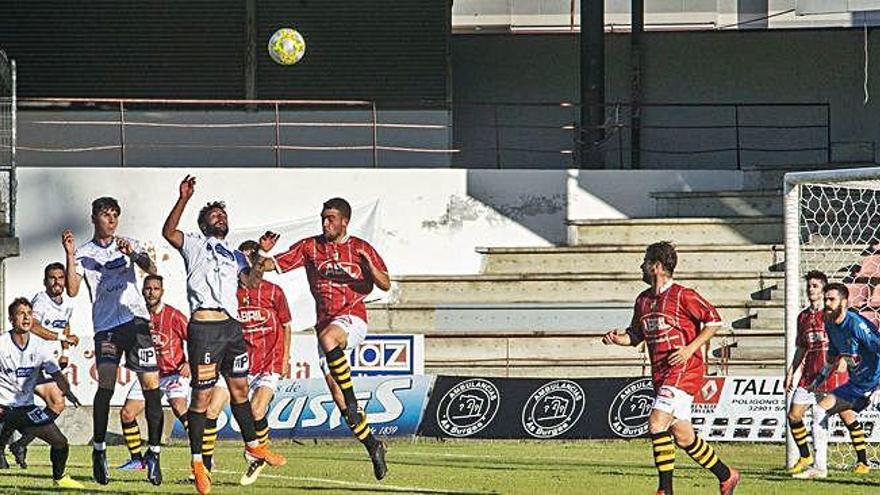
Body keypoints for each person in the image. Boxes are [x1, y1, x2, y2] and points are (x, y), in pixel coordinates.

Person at [162, 175, 285, 495]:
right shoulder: (193, 243)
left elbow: (252, 283)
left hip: (232, 328)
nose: (221, 217)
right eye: (215, 215)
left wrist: (259, 254)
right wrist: (183, 199)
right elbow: (168, 232)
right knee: (202, 397)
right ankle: (198, 462)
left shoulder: (236, 254)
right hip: (204, 328)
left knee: (240, 391)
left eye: (224, 215)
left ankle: (255, 446)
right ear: (204, 224)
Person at [256, 197, 389, 480]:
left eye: (331, 218)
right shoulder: (310, 247)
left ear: (345, 221)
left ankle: (353, 401)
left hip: (353, 319)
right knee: (340, 400)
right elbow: (271, 265)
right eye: (323, 218)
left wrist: (370, 266)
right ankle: (373, 446)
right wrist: (259, 253)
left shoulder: (361, 249)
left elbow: (385, 284)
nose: (325, 223)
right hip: (325, 325)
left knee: (330, 340)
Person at [602, 241, 740, 495]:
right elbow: (635, 336)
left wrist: (689, 349)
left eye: (644, 262)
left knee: (656, 423)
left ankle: (665, 490)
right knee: (684, 437)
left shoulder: (683, 295)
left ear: (656, 266)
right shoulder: (642, 300)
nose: (640, 266)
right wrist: (616, 339)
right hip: (661, 374)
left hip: (685, 370)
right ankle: (727, 475)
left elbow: (714, 321)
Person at [63, 196, 164, 486]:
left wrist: (132, 254)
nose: (111, 220)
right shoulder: (84, 253)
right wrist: (70, 255)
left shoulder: (128, 243)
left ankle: (154, 454)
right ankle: (99, 450)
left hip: (136, 323)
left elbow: (152, 268)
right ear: (94, 218)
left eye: (115, 216)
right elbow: (71, 290)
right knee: (106, 387)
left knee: (151, 386)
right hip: (107, 328)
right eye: (106, 215)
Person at [793, 282, 880, 479]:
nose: (827, 303)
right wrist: (819, 380)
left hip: (875, 382)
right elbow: (832, 356)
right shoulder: (830, 324)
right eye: (826, 299)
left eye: (831, 299)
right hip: (856, 385)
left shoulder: (857, 324)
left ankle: (862, 461)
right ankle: (820, 468)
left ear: (844, 302)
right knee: (819, 410)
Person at [0, 297, 84, 488]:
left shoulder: (40, 347)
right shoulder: (2, 344)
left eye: (29, 313)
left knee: (60, 442)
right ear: (11, 319)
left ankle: (59, 478)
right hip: (2, 406)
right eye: (21, 313)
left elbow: (56, 373)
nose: (26, 317)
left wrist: (67, 391)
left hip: (25, 408)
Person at [117, 275, 191, 470]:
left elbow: (195, 338)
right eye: (148, 288)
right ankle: (137, 460)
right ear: (143, 291)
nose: (151, 292)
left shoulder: (174, 315)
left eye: (156, 288)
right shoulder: (137, 316)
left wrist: (190, 362)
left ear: (162, 292)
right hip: (149, 375)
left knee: (179, 407)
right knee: (126, 413)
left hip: (173, 372)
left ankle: (203, 459)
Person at [235, 240, 292, 485]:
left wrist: (287, 356)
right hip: (243, 361)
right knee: (215, 408)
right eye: (246, 258)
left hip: (271, 358)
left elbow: (287, 325)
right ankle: (205, 463)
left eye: (254, 257)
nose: (250, 262)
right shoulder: (232, 292)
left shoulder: (274, 291)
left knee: (257, 410)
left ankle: (259, 453)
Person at [785, 271, 848, 476]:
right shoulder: (803, 316)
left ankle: (820, 465)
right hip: (809, 374)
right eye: (809, 286)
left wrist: (843, 360)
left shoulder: (831, 315)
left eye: (815, 286)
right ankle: (806, 456)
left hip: (828, 372)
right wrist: (791, 371)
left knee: (821, 416)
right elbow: (802, 347)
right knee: (794, 415)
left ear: (824, 289)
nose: (810, 289)